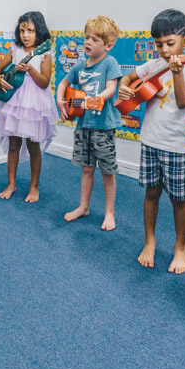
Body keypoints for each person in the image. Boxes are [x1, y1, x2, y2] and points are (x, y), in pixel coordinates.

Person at [117, 9, 185, 273]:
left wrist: (177, 73)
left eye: (170, 43)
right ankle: (150, 241)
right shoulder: (153, 65)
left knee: (177, 199)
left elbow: (182, 102)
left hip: (176, 146)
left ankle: (181, 248)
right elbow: (129, 78)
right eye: (158, 44)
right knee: (151, 193)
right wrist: (124, 86)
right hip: (149, 141)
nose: (164, 50)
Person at [56, 16, 122, 230]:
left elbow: (111, 89)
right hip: (83, 126)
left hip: (103, 127)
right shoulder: (79, 66)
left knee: (107, 172)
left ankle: (109, 213)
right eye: (86, 38)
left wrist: (93, 99)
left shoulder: (110, 63)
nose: (88, 42)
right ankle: (83, 206)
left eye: (94, 39)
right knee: (86, 169)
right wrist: (60, 101)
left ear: (108, 46)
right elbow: (63, 84)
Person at [0, 11, 57, 203]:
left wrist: (30, 69)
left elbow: (44, 82)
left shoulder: (44, 52)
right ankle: (11, 184)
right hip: (13, 101)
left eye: (31, 30)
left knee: (33, 145)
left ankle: (34, 187)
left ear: (39, 31)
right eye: (22, 30)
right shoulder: (15, 49)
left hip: (33, 104)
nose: (26, 35)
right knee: (13, 144)